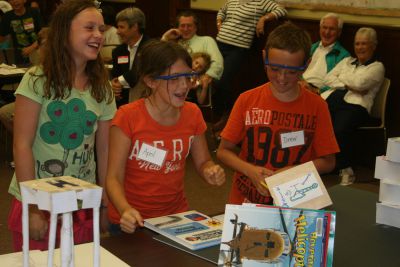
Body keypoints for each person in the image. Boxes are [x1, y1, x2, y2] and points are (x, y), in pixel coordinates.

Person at [8, 0, 116, 251]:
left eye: (101, 29)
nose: (98, 35)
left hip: (82, 203)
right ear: (64, 32)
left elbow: (105, 151)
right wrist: (33, 207)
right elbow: (21, 145)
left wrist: (104, 202)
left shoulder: (102, 87)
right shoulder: (37, 79)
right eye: (89, 28)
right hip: (39, 201)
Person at [106, 40, 225, 234]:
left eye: (188, 76)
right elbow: (113, 177)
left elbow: (203, 161)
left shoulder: (193, 113)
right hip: (132, 219)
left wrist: (210, 170)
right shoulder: (128, 117)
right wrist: (125, 209)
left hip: (176, 217)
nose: (184, 85)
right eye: (175, 78)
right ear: (151, 80)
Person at [216, 22, 339, 205]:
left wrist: (294, 171)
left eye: (291, 72)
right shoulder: (247, 100)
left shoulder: (317, 106)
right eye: (274, 69)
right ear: (264, 57)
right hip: (247, 199)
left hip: (295, 200)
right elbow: (223, 151)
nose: (281, 78)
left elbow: (328, 162)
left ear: (306, 64)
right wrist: (250, 170)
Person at [320, 27, 385, 186]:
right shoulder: (346, 61)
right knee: (319, 125)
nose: (360, 47)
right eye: (357, 44)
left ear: (373, 46)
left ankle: (346, 169)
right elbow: (327, 79)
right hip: (334, 100)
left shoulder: (377, 67)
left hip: (357, 107)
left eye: (364, 44)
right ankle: (324, 165)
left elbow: (361, 84)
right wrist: (351, 85)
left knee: (339, 130)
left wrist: (342, 79)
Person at [213, 0, 287, 131]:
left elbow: (281, 10)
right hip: (219, 44)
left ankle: (226, 115)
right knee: (212, 77)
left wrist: (263, 18)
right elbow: (221, 11)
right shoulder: (232, 1)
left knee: (222, 81)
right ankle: (215, 115)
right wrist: (219, 23)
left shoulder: (261, 2)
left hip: (238, 48)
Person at [161, 10, 223, 95]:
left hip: (195, 89)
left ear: (196, 27)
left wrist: (204, 78)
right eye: (182, 26)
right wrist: (165, 38)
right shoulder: (173, 43)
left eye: (189, 26)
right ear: (177, 28)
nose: (186, 29)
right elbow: (158, 59)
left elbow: (218, 63)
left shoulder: (206, 40)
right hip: (172, 86)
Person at [111, 6, 150, 107]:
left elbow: (140, 70)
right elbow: (115, 76)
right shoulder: (118, 51)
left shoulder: (151, 47)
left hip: (145, 101)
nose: (117, 31)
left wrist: (120, 81)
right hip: (122, 104)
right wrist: (115, 86)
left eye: (121, 27)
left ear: (135, 27)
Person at [303, 13, 350, 92]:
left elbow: (340, 84)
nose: (327, 32)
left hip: (318, 92)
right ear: (320, 29)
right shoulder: (311, 47)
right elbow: (297, 67)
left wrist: (316, 90)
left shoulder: (344, 56)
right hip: (301, 85)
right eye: (324, 28)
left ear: (339, 32)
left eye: (332, 29)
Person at [0, 0, 43, 65]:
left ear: (24, 0)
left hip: (37, 52)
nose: (15, 2)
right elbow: (2, 36)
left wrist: (32, 47)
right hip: (19, 55)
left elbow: (44, 33)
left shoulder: (34, 12)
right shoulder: (7, 16)